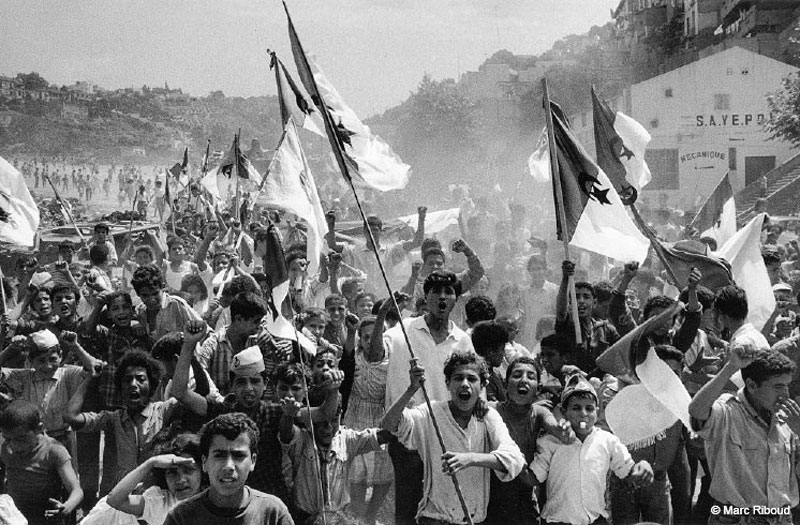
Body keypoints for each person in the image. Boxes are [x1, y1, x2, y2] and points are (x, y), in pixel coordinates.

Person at [382, 351, 525, 525]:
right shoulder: (431, 412)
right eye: (458, 378)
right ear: (448, 384)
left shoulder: (487, 416)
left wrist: (470, 458)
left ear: (482, 386)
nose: (465, 384)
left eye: (472, 379)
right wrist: (411, 389)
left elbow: (515, 458)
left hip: (473, 520)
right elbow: (390, 424)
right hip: (434, 518)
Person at [381, 271, 474, 525]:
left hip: (446, 439)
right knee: (407, 511)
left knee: (442, 512)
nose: (442, 297)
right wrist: (382, 315)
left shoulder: (463, 340)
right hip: (408, 436)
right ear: (427, 296)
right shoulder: (402, 330)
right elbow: (374, 355)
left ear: (456, 299)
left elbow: (474, 389)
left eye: (449, 292)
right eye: (436, 292)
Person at [689, 348, 799, 523]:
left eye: (787, 386)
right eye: (778, 386)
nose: (785, 394)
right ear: (752, 385)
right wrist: (730, 367)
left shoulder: (789, 419)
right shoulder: (729, 411)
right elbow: (697, 411)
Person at [530, 373, 654, 525]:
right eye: (576, 408)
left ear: (597, 411)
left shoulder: (607, 440)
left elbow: (628, 471)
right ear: (563, 412)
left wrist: (642, 466)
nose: (583, 414)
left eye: (589, 409)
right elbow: (534, 477)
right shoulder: (550, 442)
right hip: (557, 521)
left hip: (596, 521)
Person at [162, 413, 295, 525]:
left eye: (239, 456)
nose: (228, 466)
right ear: (204, 462)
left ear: (253, 461)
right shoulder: (180, 518)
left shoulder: (273, 513)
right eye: (219, 455)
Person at [486, 357, 572, 525]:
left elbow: (554, 426)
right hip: (491, 496)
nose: (523, 380)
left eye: (531, 376)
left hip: (523, 497)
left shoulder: (539, 413)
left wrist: (564, 430)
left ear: (538, 388)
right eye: (517, 375)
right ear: (505, 384)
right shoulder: (491, 409)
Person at [82, 433, 205, 525]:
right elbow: (114, 500)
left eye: (188, 470)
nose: (180, 479)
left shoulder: (213, 498)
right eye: (172, 472)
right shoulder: (160, 501)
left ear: (203, 469)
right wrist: (151, 463)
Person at [0, 400, 84, 525]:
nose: (14, 446)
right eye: (8, 439)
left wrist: (66, 507)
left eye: (20, 439)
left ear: (39, 428)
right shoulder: (6, 447)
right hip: (13, 518)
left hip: (45, 518)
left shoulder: (54, 451)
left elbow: (77, 491)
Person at [555, 261, 620, 374]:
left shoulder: (606, 330)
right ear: (570, 303)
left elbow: (620, 353)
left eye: (586, 297)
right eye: (576, 297)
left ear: (594, 303)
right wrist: (565, 278)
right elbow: (561, 312)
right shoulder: (567, 325)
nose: (581, 301)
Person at [132, 264, 202, 341]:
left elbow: (204, 329)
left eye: (155, 294)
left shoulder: (176, 305)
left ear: (163, 287)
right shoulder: (140, 311)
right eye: (145, 296)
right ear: (138, 294)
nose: (151, 299)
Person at [471, 320, 509, 402]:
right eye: (502, 349)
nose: (504, 353)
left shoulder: (493, 374)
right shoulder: (486, 379)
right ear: (490, 352)